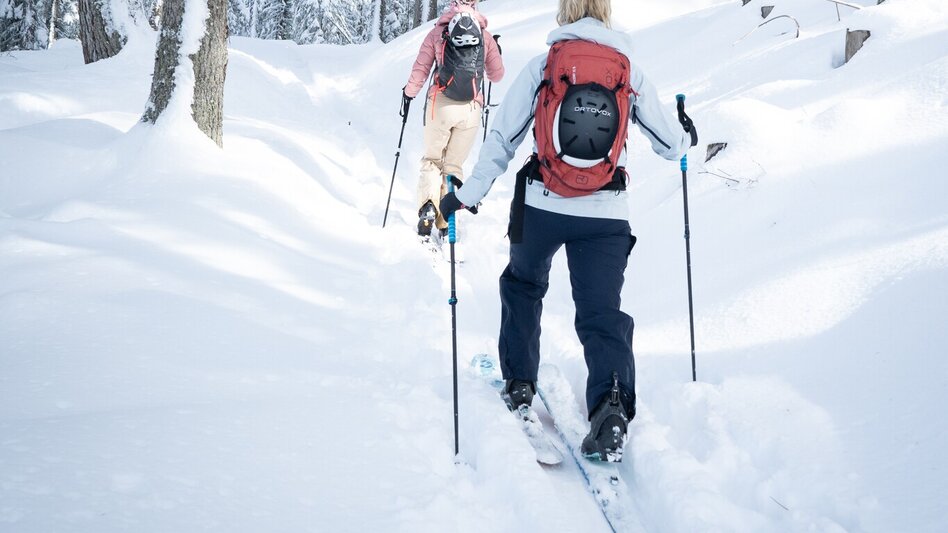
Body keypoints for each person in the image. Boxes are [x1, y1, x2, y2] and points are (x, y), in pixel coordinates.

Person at [439, 0, 697, 461]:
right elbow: (669, 142)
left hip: (541, 205)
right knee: (602, 314)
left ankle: (520, 384)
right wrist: (684, 134)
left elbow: (503, 138)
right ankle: (612, 405)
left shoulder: (546, 64)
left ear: (567, 11)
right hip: (606, 214)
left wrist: (468, 195)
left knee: (523, 287)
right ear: (606, 11)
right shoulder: (627, 71)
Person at [402, 0, 504, 238]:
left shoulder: (438, 33)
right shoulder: (485, 36)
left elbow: (420, 71)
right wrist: (496, 50)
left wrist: (408, 94)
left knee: (432, 159)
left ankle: (428, 206)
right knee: (453, 165)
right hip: (470, 109)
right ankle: (447, 219)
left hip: (441, 105)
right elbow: (497, 76)